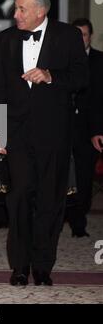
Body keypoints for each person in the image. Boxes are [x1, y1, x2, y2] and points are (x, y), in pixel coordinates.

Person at [0, 0, 88, 286]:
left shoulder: (68, 36)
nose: (15, 14)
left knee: (50, 201)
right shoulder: (6, 39)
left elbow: (82, 79)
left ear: (40, 11)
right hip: (16, 135)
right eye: (16, 9)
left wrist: (51, 76)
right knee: (18, 198)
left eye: (21, 9)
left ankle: (43, 265)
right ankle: (19, 267)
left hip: (54, 136)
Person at [66, 18, 103, 237]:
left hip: (89, 130)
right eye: (76, 34)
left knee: (83, 176)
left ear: (91, 36)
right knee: (59, 176)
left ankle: (79, 223)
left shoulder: (100, 60)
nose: (81, 39)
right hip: (62, 127)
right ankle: (61, 217)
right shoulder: (61, 59)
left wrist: (98, 130)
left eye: (84, 35)